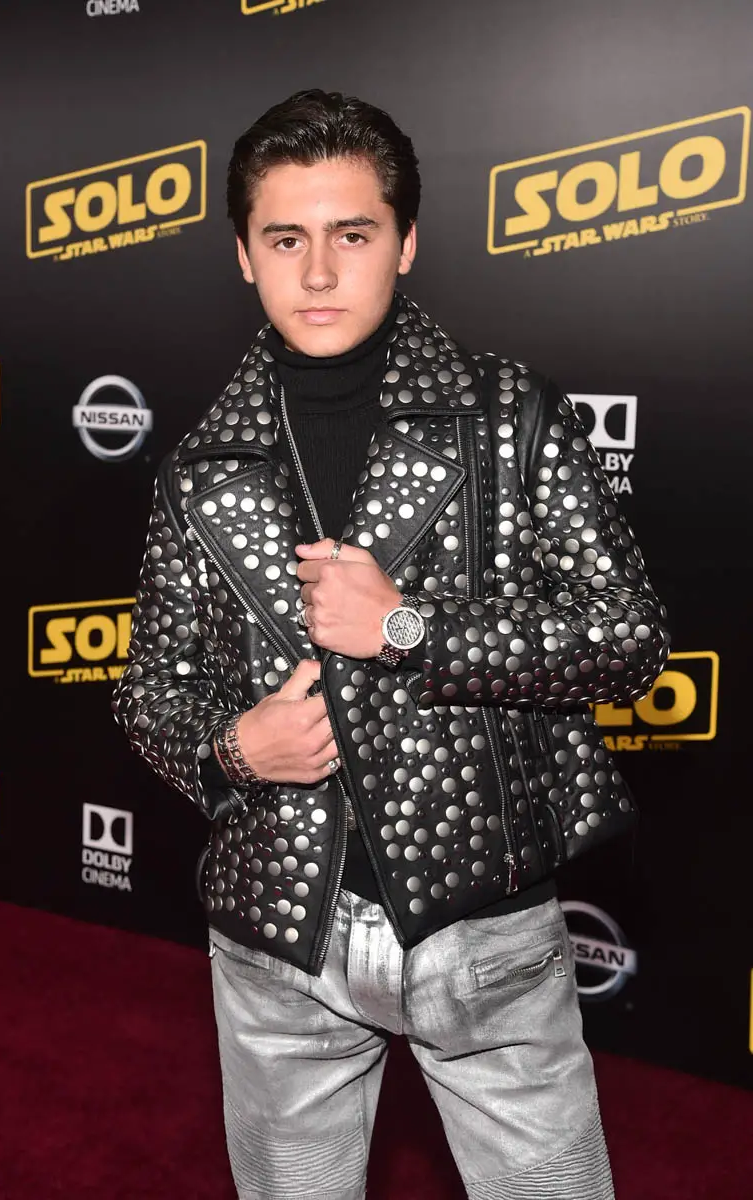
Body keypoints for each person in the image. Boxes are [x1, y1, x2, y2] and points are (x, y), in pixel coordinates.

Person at [113, 89, 669, 1200]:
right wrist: (235, 748)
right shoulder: (199, 467)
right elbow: (148, 693)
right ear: (243, 256)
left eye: (353, 234)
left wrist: (408, 628)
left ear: (406, 242)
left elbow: (628, 638)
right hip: (274, 936)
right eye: (286, 239)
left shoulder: (505, 413)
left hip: (481, 930)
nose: (318, 273)